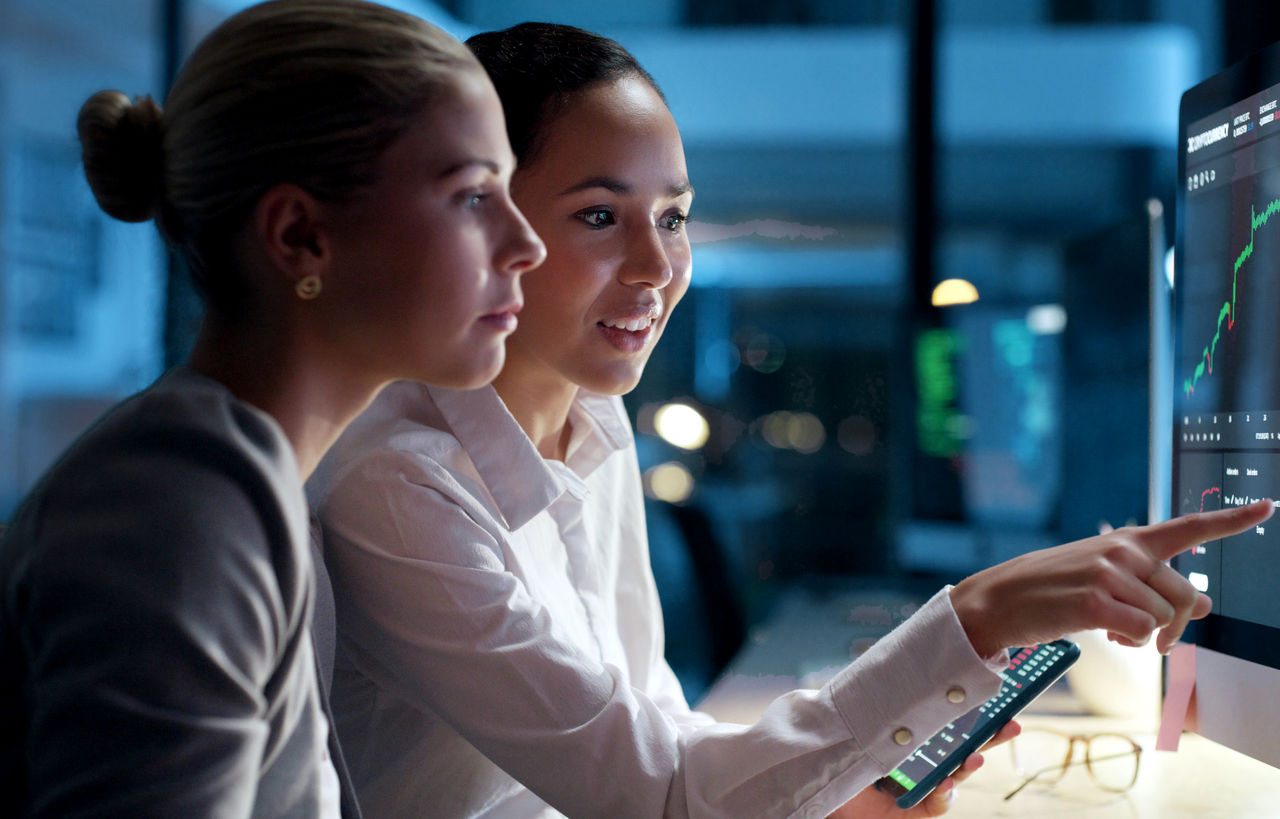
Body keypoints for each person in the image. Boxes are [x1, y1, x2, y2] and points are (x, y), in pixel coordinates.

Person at [310, 21, 1274, 819]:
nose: (655, 267)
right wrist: (984, 612)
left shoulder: (594, 428)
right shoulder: (398, 484)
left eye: (675, 217)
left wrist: (830, 791)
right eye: (600, 216)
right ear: (490, 224)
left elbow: (654, 733)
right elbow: (664, 796)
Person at [0, 1, 544, 816]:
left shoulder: (247, 479)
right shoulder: (183, 502)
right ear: (298, 237)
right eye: (472, 195)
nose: (526, 242)